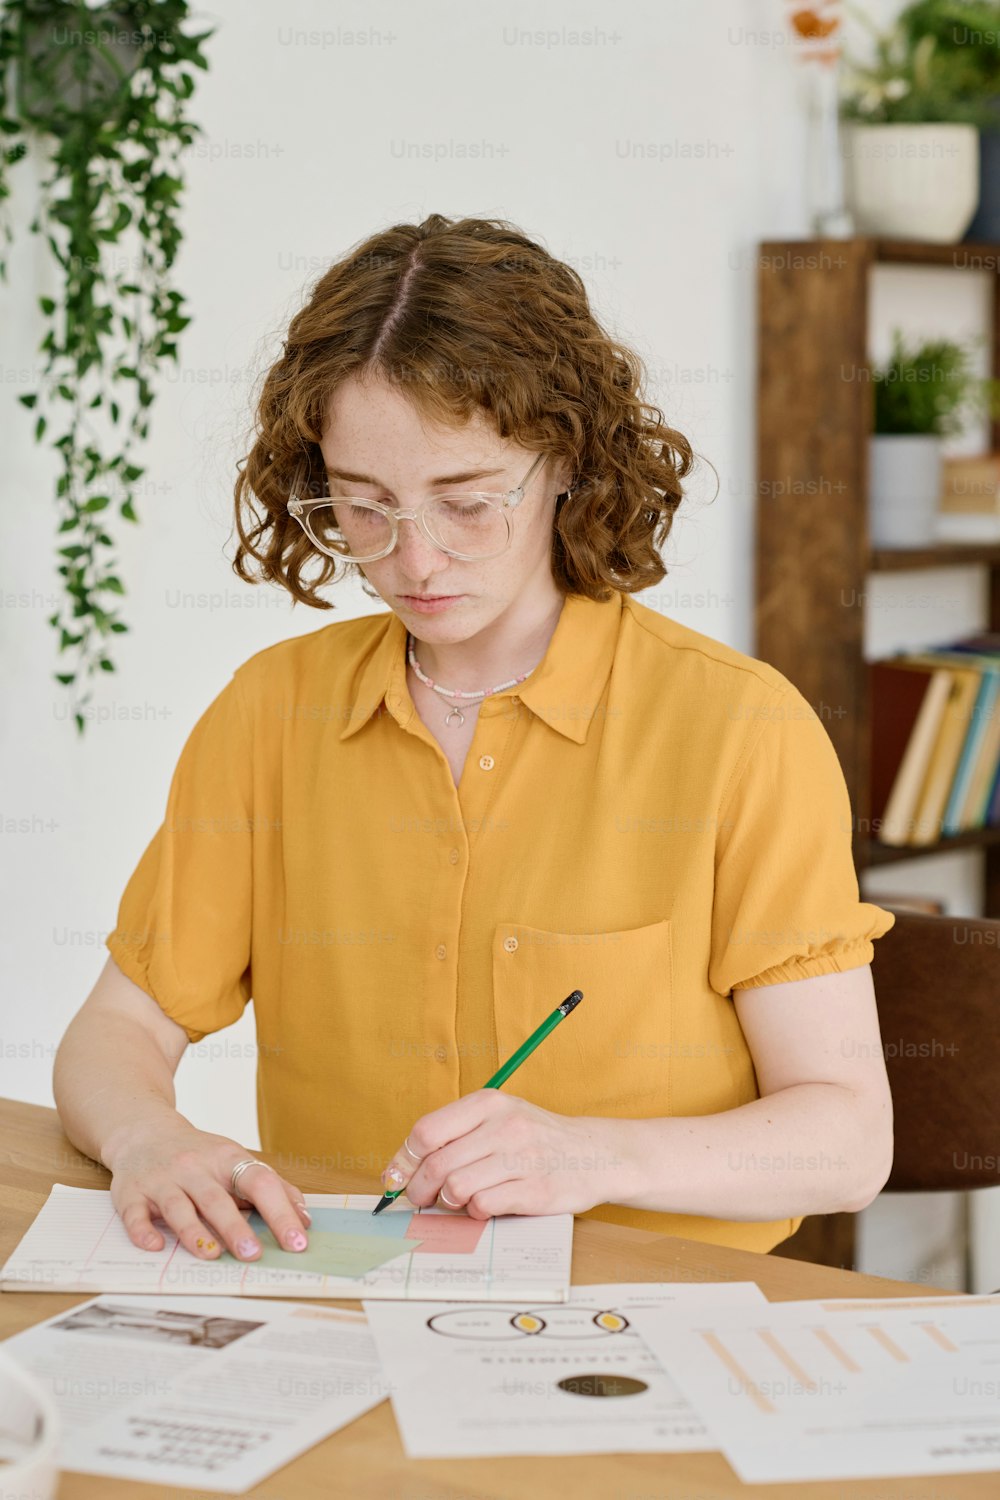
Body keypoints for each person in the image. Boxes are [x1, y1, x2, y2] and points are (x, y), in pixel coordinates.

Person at [53, 213, 896, 1268]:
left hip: (646, 1317)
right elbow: (115, 1033)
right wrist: (151, 1138)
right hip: (349, 1291)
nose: (414, 559)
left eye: (464, 502)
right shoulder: (273, 713)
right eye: (362, 508)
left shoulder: (737, 731)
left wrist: (590, 1159)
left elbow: (846, 1136)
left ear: (566, 464)